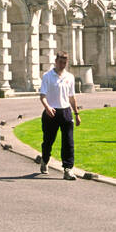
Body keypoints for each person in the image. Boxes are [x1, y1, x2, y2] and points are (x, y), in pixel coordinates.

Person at [39, 51, 80, 180]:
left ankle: (68, 169)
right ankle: (45, 160)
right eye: (60, 62)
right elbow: (42, 96)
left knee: (68, 142)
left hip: (66, 111)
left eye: (65, 63)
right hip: (51, 112)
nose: (62, 65)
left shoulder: (70, 77)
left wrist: (76, 113)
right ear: (56, 61)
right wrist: (47, 107)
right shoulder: (47, 76)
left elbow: (72, 97)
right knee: (48, 141)